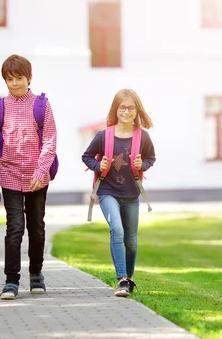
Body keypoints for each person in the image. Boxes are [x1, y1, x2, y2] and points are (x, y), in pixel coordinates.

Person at [0, 54, 57, 300]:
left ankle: (36, 274)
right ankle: (11, 281)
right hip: (10, 176)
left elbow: (50, 140)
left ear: (30, 78)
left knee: (36, 228)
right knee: (15, 228)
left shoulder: (41, 105)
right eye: (9, 79)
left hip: (37, 177)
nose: (14, 84)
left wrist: (40, 171)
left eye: (19, 78)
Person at [82, 88, 155, 297]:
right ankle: (122, 279)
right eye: (122, 107)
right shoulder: (104, 136)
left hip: (131, 194)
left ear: (137, 110)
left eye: (131, 108)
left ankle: (130, 279)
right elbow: (86, 156)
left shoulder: (143, 137)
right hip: (107, 192)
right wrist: (98, 165)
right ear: (116, 109)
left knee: (131, 240)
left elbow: (151, 158)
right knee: (117, 230)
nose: (126, 111)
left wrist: (143, 164)